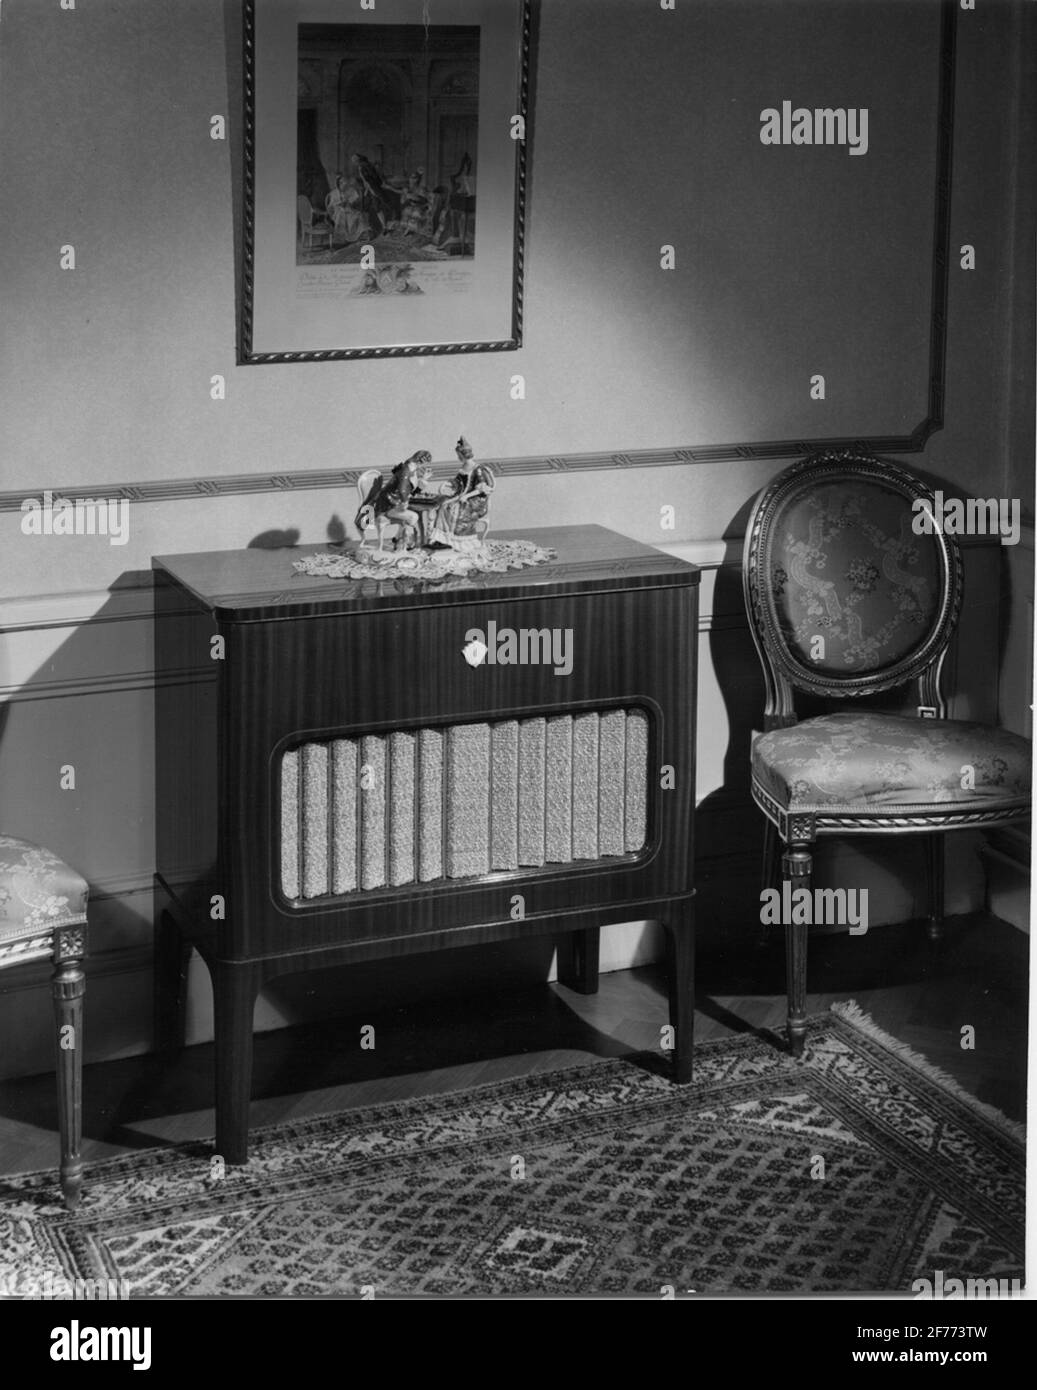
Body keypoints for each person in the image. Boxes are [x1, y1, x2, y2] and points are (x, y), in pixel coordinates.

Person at [326, 174, 369, 245]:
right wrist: (338, 205)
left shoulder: (350, 190)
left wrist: (348, 202)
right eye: (341, 182)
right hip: (337, 211)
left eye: (344, 182)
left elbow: (354, 202)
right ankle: (342, 239)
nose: (343, 184)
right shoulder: (334, 193)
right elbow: (330, 206)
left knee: (358, 215)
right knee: (342, 215)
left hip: (349, 209)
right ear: (338, 183)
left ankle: (358, 236)